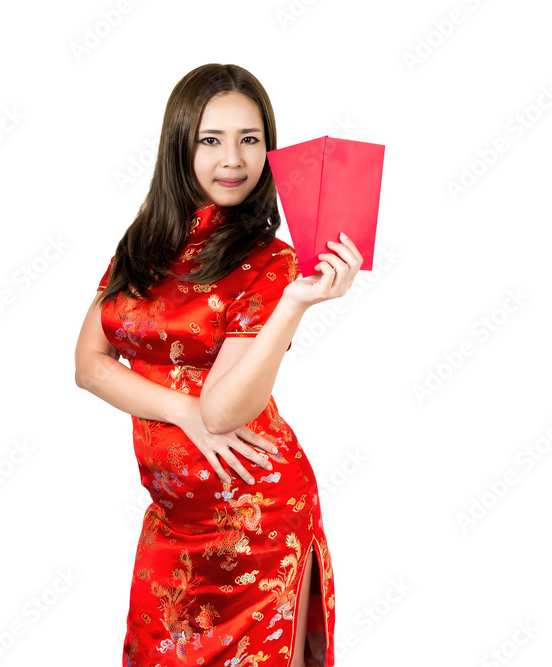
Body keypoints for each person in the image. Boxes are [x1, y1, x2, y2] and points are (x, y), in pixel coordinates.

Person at [75, 63, 362, 667]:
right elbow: (89, 363)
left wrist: (294, 304)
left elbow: (225, 412)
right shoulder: (143, 242)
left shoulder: (271, 261)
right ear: (180, 145)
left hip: (256, 519)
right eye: (211, 139)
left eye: (249, 139)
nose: (233, 159)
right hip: (171, 521)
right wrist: (182, 410)